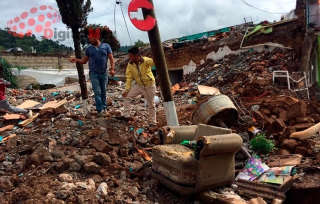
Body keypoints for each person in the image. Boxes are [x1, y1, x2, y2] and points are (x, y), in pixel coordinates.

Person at [69, 32, 115, 115]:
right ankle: (100, 110)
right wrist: (76, 60)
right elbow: (84, 60)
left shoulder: (106, 46)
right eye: (89, 39)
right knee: (97, 92)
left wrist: (112, 69)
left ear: (96, 37)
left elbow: (111, 58)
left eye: (91, 38)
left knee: (103, 92)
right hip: (94, 74)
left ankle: (104, 108)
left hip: (104, 73)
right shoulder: (89, 49)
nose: (89, 40)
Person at [120, 46, 157, 125]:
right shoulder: (130, 64)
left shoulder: (146, 60)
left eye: (131, 56)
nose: (129, 58)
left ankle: (153, 122)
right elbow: (129, 78)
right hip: (139, 86)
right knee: (126, 96)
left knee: (151, 104)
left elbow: (154, 62)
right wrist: (127, 90)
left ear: (136, 55)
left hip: (149, 85)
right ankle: (126, 116)